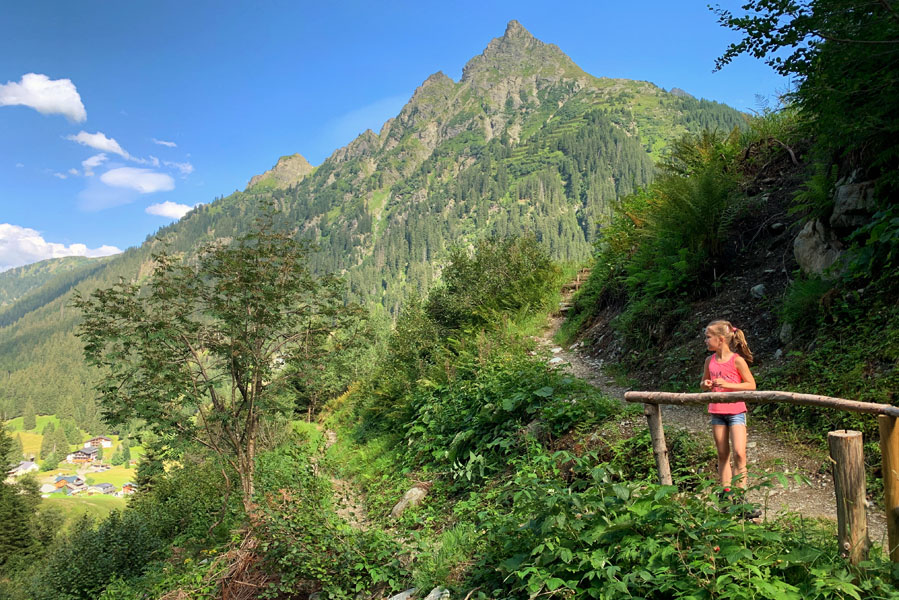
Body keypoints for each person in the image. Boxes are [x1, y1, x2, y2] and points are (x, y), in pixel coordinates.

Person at [700, 320, 757, 505]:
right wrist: (706, 385)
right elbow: (703, 383)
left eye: (708, 337)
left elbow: (751, 385)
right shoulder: (709, 361)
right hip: (717, 412)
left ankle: (740, 495)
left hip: (736, 412)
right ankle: (725, 494)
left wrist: (727, 385)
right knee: (723, 453)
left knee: (740, 453)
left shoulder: (737, 360)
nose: (706, 341)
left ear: (721, 339)